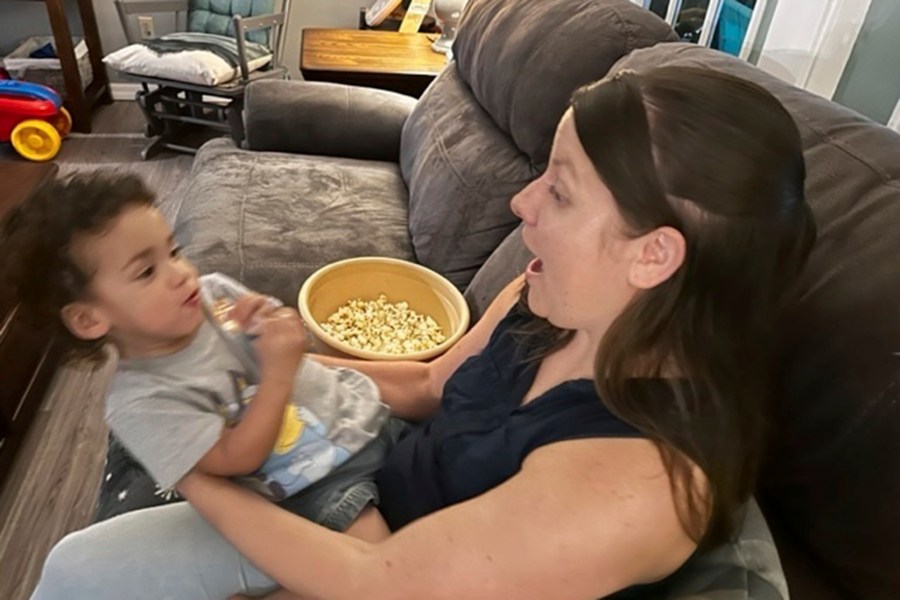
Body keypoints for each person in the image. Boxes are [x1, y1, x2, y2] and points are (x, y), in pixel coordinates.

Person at [28, 65, 816, 600]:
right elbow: (431, 384)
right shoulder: (547, 298)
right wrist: (283, 362)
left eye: (563, 193)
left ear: (654, 254)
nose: (522, 204)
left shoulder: (634, 487)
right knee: (75, 567)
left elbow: (378, 583)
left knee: (83, 574)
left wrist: (198, 469)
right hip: (360, 483)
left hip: (367, 562)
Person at [2, 173, 400, 597]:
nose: (180, 274)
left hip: (362, 413)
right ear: (89, 318)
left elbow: (288, 341)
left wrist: (277, 324)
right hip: (317, 483)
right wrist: (278, 372)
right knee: (387, 571)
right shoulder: (140, 403)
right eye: (147, 272)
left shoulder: (214, 293)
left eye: (173, 251)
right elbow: (234, 458)